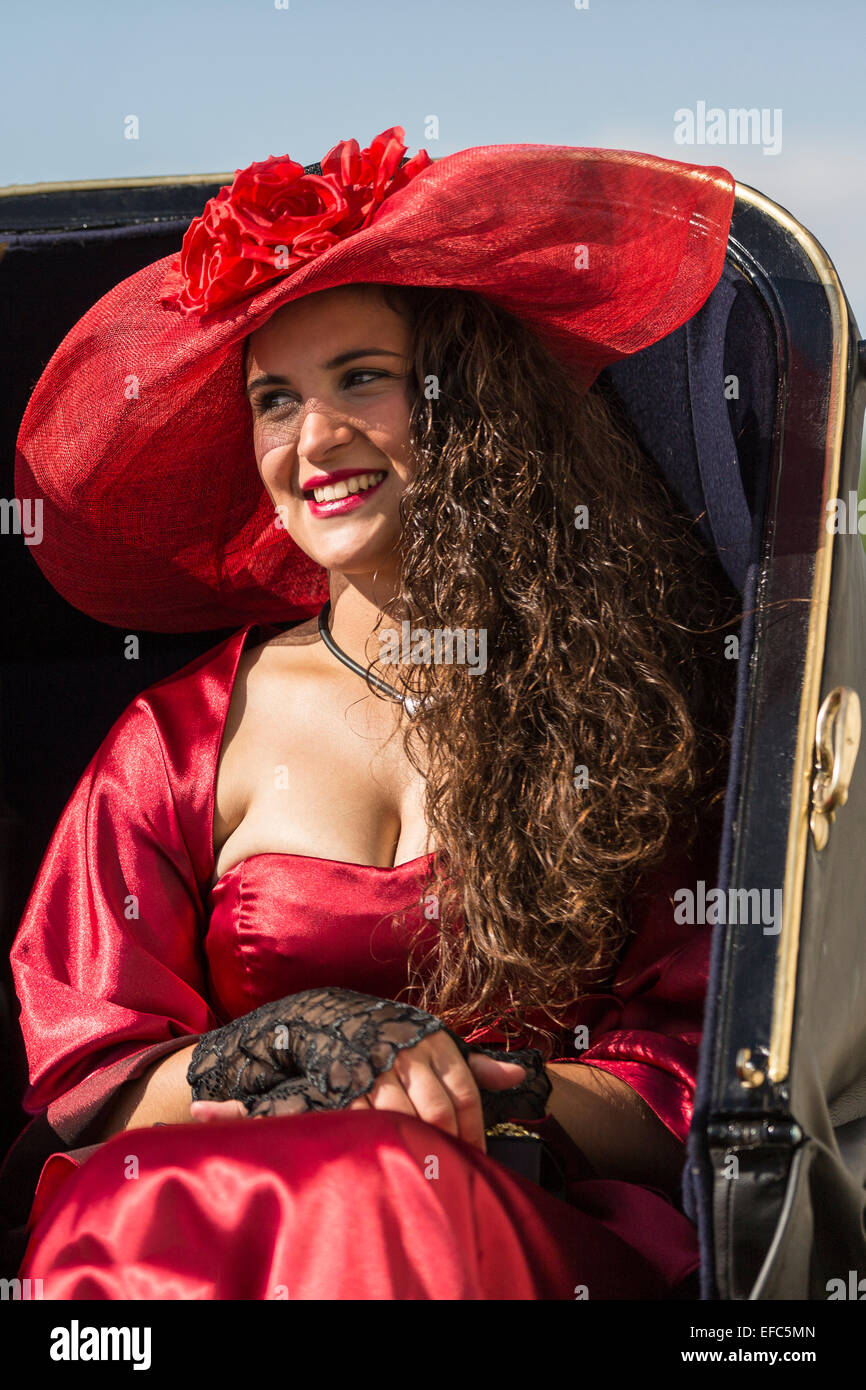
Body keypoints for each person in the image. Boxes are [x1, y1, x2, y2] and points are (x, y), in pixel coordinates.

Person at [4, 125, 739, 1299]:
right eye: (273, 400)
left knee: (391, 1183)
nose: (313, 441)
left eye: (360, 379)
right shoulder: (178, 740)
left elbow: (688, 1092)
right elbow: (91, 1094)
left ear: (469, 402)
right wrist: (275, 1046)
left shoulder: (625, 711)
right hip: (203, 1233)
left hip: (512, 1221)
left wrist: (489, 1087)